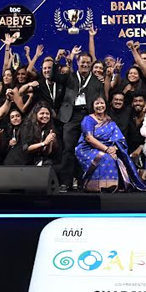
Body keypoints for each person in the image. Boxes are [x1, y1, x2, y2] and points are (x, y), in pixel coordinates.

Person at [53, 49, 105, 192]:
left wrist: (99, 119)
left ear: (91, 64)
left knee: (86, 150)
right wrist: (57, 60)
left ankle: (85, 182)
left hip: (89, 117)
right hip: (71, 116)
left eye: (88, 63)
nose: (85, 65)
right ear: (77, 62)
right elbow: (54, 76)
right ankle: (65, 182)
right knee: (68, 149)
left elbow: (101, 100)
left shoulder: (97, 82)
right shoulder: (69, 77)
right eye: (82, 62)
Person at [75, 97, 146, 192]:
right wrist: (107, 149)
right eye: (97, 103)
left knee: (116, 159)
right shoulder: (88, 119)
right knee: (106, 157)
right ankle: (96, 185)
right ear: (92, 106)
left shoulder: (109, 120)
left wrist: (114, 148)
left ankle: (113, 185)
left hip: (107, 148)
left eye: (102, 103)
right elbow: (89, 138)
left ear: (106, 105)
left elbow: (118, 138)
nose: (100, 106)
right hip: (87, 148)